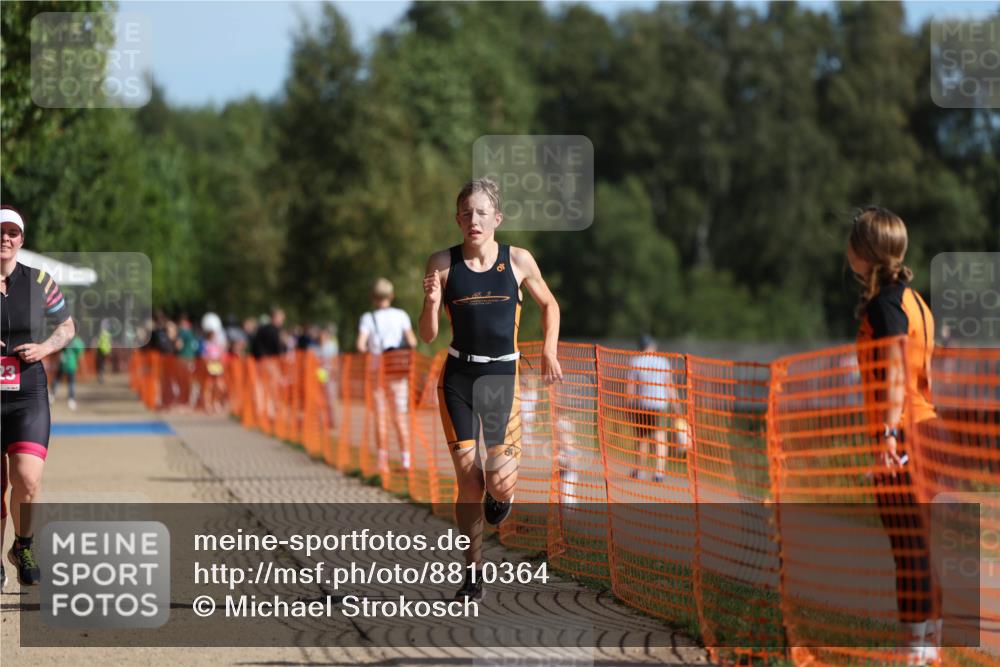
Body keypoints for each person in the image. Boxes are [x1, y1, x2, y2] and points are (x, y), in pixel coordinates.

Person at [419, 178, 562, 601]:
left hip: (502, 378)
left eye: (481, 213)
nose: (473, 220)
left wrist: (550, 350)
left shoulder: (517, 260)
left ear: (496, 218)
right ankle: (473, 574)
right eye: (466, 213)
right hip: (459, 378)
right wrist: (429, 303)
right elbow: (427, 335)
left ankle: (502, 496)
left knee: (497, 482)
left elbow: (549, 304)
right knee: (468, 482)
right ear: (457, 219)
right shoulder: (442, 263)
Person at [848, 205, 942, 665]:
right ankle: (928, 642)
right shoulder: (916, 302)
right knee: (920, 543)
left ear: (862, 252)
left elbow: (897, 375)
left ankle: (913, 651)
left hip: (902, 435)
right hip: (928, 431)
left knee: (906, 545)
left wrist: (886, 435)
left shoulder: (886, 304)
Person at [0, 205, 76, 589]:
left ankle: (23, 546)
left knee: (27, 479)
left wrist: (46, 347)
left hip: (27, 391)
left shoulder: (41, 281)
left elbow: (67, 326)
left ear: (21, 239)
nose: (6, 238)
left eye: (13, 232)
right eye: (1, 232)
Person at [358, 278, 417, 474]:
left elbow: (360, 345)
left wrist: (371, 350)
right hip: (397, 371)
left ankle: (382, 461)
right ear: (391, 296)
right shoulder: (401, 315)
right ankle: (406, 459)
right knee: (399, 416)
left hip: (377, 371)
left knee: (380, 416)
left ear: (373, 298)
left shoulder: (368, 318)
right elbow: (412, 341)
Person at [627, 334, 688, 483]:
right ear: (652, 346)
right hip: (660, 404)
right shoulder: (662, 362)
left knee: (642, 438)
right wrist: (676, 405)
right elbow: (669, 385)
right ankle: (659, 472)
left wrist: (629, 406)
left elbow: (630, 388)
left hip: (642, 405)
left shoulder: (635, 362)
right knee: (660, 438)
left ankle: (639, 471)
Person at [51, 332, 85, 411]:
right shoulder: (76, 341)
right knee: (68, 382)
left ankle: (68, 399)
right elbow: (80, 355)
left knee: (60, 380)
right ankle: (70, 399)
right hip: (68, 364)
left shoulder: (68, 340)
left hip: (67, 363)